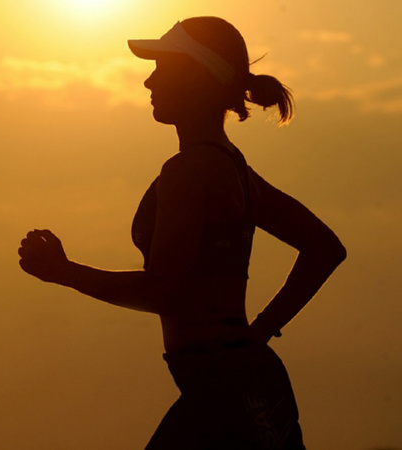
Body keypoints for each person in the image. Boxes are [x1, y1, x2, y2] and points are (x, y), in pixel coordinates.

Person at [17, 16, 346, 449]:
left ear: (196, 74)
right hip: (236, 387)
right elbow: (324, 247)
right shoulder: (231, 167)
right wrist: (260, 330)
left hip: (231, 393)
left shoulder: (191, 171)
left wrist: (64, 272)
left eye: (161, 67)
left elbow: (167, 292)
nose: (148, 82)